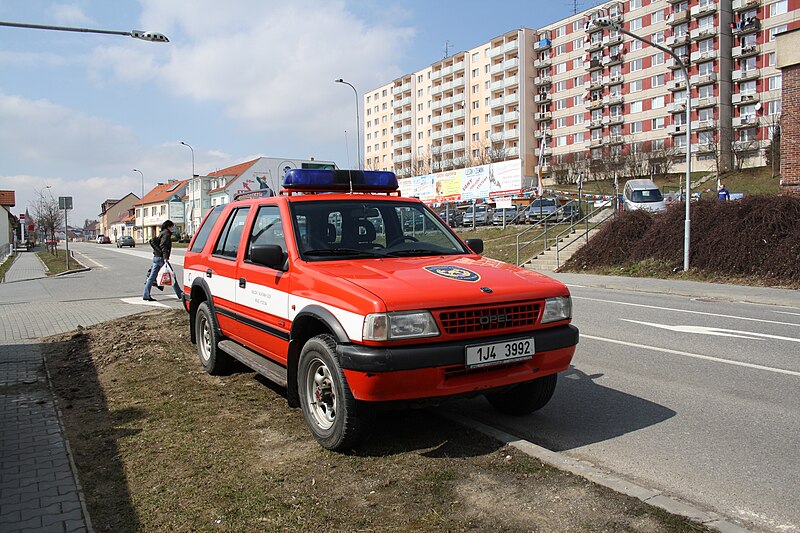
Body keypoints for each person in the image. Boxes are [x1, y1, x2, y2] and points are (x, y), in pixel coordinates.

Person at [143, 220, 184, 302]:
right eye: (172, 226)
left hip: (156, 257)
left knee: (151, 277)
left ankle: (146, 295)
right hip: (161, 258)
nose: (173, 228)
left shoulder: (162, 232)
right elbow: (163, 246)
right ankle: (180, 294)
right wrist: (165, 258)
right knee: (172, 275)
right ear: (169, 227)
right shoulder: (166, 234)